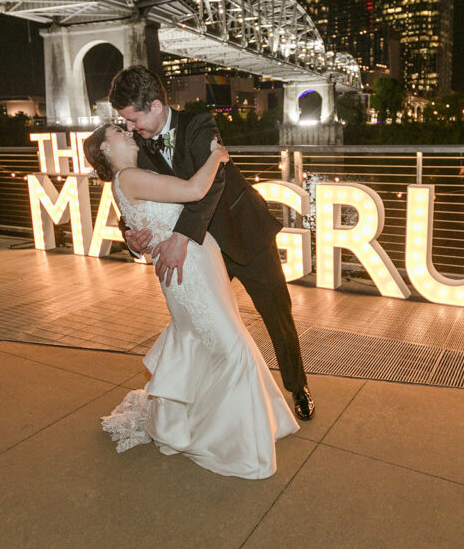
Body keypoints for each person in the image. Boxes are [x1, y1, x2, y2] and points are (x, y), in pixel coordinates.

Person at [83, 124, 298, 479]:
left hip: (196, 266)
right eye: (118, 133)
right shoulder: (131, 177)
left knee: (209, 344)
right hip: (190, 272)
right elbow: (195, 190)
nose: (128, 133)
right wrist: (217, 154)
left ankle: (210, 424)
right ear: (104, 149)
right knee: (230, 349)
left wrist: (134, 238)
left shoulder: (126, 181)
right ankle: (231, 442)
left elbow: (149, 218)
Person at [109, 65, 314, 421]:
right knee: (201, 326)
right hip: (200, 257)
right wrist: (129, 233)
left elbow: (211, 187)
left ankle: (298, 387)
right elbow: (132, 194)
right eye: (125, 122)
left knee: (277, 315)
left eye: (133, 118)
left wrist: (180, 236)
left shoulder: (200, 123)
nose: (130, 127)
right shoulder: (137, 146)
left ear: (156, 106)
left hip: (243, 236)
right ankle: (214, 404)